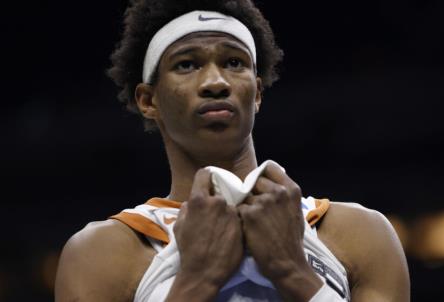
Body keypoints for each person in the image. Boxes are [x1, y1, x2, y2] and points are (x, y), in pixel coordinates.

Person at [55, 0, 410, 301]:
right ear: (148, 100)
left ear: (256, 93)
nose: (216, 82)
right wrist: (197, 282)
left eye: (234, 63)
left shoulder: (359, 233)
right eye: (187, 64)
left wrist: (294, 270)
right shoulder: (102, 252)